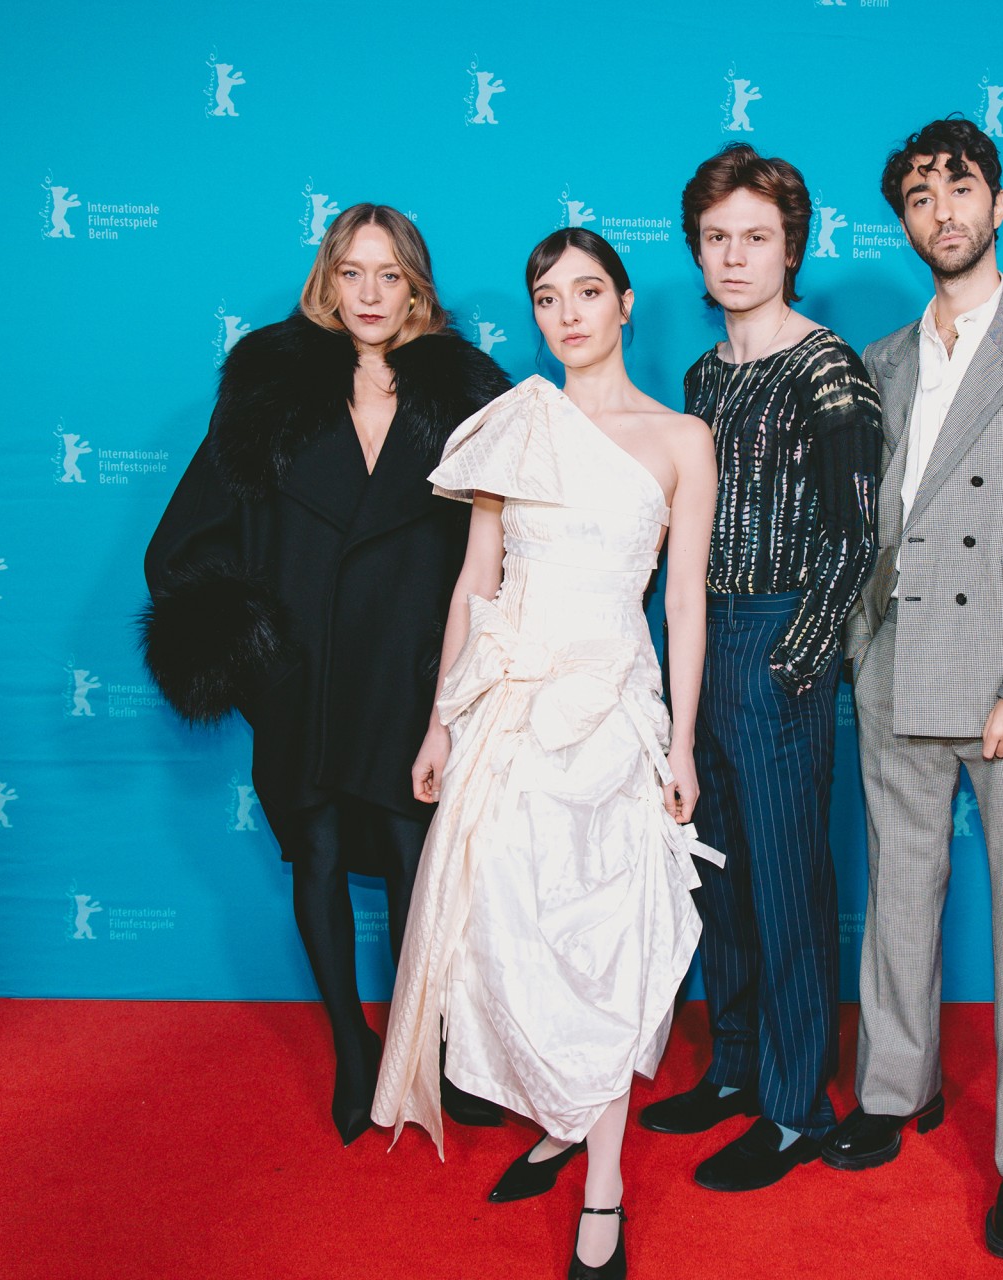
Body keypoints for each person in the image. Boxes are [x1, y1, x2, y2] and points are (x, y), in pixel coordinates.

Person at [372, 228, 719, 1280]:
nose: (568, 314)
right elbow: (474, 583)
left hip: (612, 714)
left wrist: (681, 742)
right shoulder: (516, 425)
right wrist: (440, 720)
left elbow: (686, 601)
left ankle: (603, 1182)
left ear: (625, 303)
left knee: (605, 943)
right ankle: (565, 1116)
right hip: (510, 719)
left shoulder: (682, 439)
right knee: (514, 934)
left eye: (587, 292)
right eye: (548, 297)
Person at [139, 203, 510, 1146]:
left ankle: (427, 1048)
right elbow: (183, 541)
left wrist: (474, 673)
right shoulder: (269, 387)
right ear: (327, 281)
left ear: (416, 286)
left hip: (414, 680)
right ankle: (352, 1045)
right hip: (304, 678)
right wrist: (257, 660)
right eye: (353, 273)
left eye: (390, 275)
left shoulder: (471, 397)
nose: (370, 294)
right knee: (320, 855)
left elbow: (511, 546)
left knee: (420, 864)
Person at [824, 118, 1003, 1262]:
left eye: (959, 188)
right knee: (898, 895)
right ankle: (897, 1087)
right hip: (897, 668)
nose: (941, 212)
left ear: (999, 203)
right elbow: (865, 522)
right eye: (918, 196)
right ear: (903, 221)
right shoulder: (882, 359)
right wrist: (860, 650)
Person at [637, 144, 881, 1193]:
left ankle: (794, 1106)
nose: (735, 255)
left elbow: (857, 534)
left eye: (756, 237)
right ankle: (735, 1067)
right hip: (700, 634)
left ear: (791, 249)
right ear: (697, 251)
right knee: (714, 872)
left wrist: (798, 660)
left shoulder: (828, 367)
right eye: (717, 237)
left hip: (781, 639)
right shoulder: (703, 377)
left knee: (787, 884)